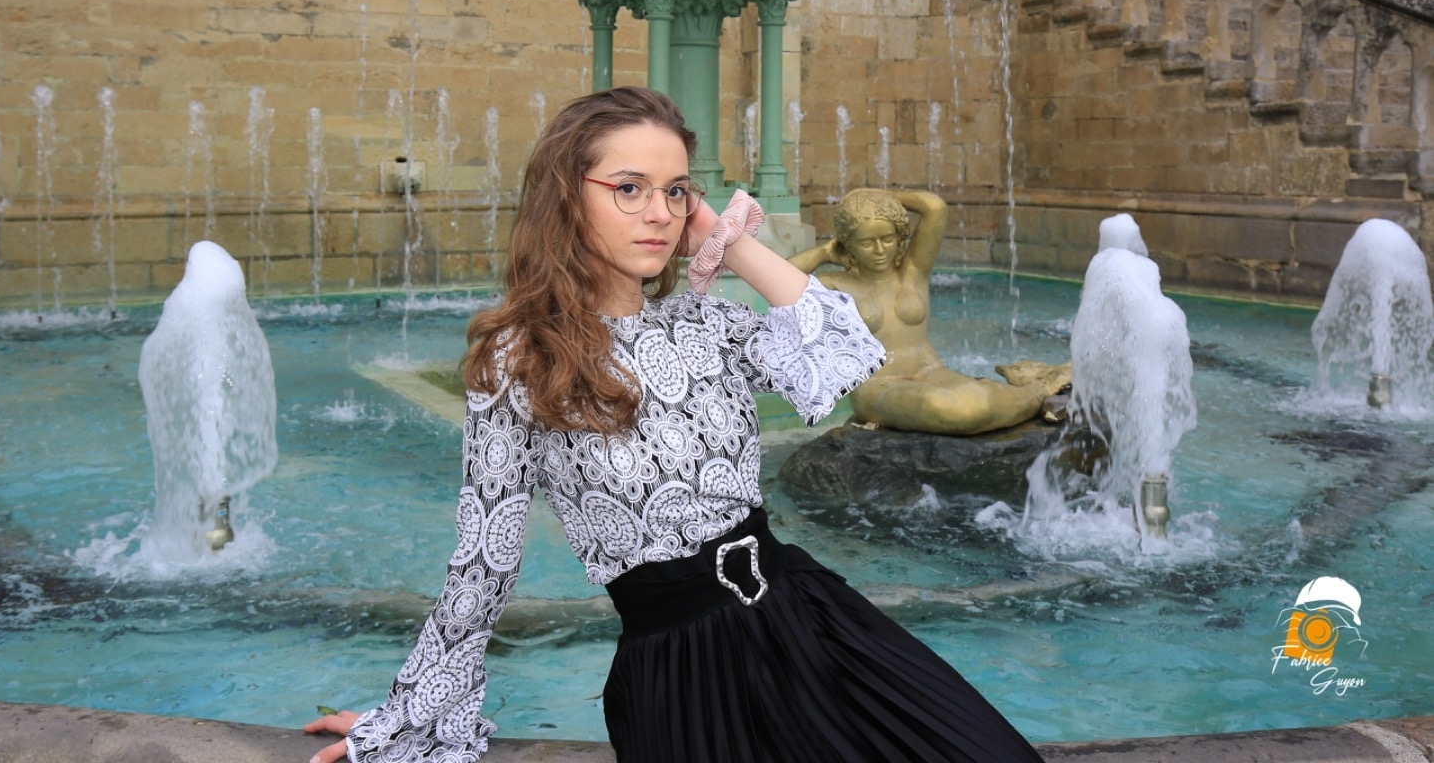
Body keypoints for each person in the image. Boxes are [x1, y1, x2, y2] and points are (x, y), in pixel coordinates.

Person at [304, 87, 1046, 763]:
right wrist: (412, 717)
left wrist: (728, 241)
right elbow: (484, 559)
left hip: (808, 620)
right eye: (629, 188)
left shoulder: (707, 323)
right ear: (566, 197)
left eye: (676, 191)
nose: (659, 213)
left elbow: (849, 351)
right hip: (686, 675)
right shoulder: (520, 359)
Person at [789, 187, 1069, 435]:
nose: (880, 249)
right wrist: (825, 252)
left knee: (975, 395)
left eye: (887, 239)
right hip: (879, 386)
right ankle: (1040, 391)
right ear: (847, 244)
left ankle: (1027, 389)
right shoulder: (834, 285)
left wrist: (879, 198)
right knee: (952, 407)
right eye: (866, 242)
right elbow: (775, 281)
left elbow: (934, 207)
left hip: (931, 371)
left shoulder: (912, 272)